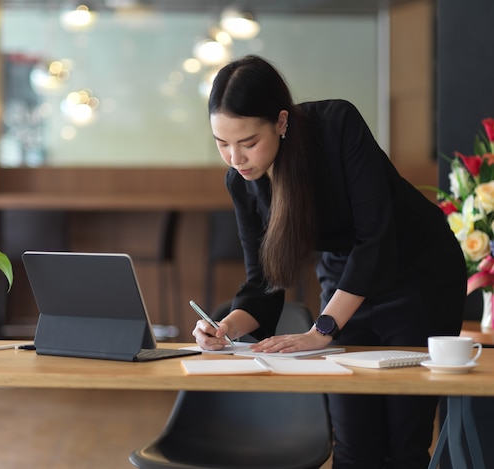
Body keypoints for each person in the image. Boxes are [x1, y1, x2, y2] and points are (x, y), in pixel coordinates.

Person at [192, 54, 466, 469]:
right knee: (353, 444)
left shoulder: (336, 124)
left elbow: (375, 236)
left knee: (402, 445)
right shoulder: (242, 183)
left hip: (418, 275)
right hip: (345, 282)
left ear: (282, 122)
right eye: (222, 144)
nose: (235, 157)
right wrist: (226, 327)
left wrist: (323, 329)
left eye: (248, 142)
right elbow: (263, 282)